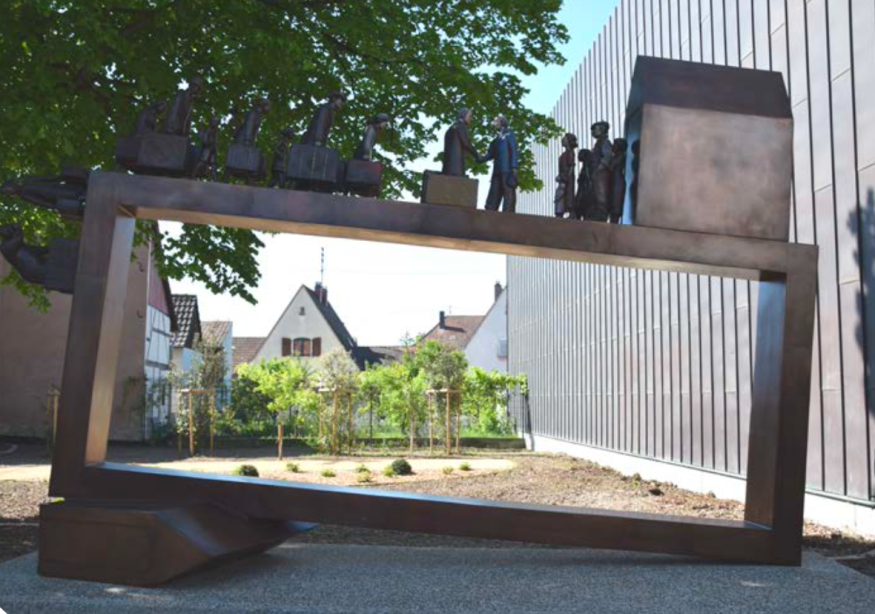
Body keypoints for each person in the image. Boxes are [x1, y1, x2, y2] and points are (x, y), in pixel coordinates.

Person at [481, 115, 519, 213]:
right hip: (497, 171)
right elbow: (489, 154)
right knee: (493, 194)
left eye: (496, 121)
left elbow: (513, 150)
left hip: (507, 170)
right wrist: (478, 158)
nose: (494, 123)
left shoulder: (510, 134)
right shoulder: (495, 140)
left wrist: (514, 167)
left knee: (508, 194)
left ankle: (508, 215)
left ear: (502, 122)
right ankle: (490, 212)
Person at [586, 121, 614, 222]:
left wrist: (599, 168)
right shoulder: (598, 143)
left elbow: (608, 156)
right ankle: (597, 214)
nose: (593, 131)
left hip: (601, 173)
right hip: (596, 172)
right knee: (595, 194)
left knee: (601, 194)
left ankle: (602, 215)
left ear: (602, 130)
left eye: (595, 129)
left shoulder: (605, 142)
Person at [442, 108, 480, 177]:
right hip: (456, 167)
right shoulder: (461, 126)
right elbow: (466, 143)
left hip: (447, 167)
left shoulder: (451, 128)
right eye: (470, 116)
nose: (471, 119)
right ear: (464, 115)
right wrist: (477, 155)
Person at [554, 133, 578, 218]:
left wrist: (567, 177)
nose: (562, 140)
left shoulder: (570, 153)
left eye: (564, 139)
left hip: (566, 178)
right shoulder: (565, 154)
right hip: (563, 177)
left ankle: (570, 213)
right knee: (562, 195)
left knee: (567, 195)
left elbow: (571, 166)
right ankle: (560, 212)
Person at [191, 116, 220, 180]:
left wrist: (216, 148)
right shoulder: (208, 130)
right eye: (214, 121)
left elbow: (216, 141)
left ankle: (215, 179)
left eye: (216, 122)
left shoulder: (215, 131)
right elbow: (205, 139)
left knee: (213, 165)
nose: (215, 123)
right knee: (202, 162)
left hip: (212, 150)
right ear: (211, 122)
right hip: (207, 149)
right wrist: (208, 143)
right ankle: (193, 175)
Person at [610, 137, 628, 224]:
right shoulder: (616, 156)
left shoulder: (620, 156)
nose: (612, 146)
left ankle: (614, 223)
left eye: (615, 145)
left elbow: (611, 166)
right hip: (614, 180)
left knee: (616, 203)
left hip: (617, 182)